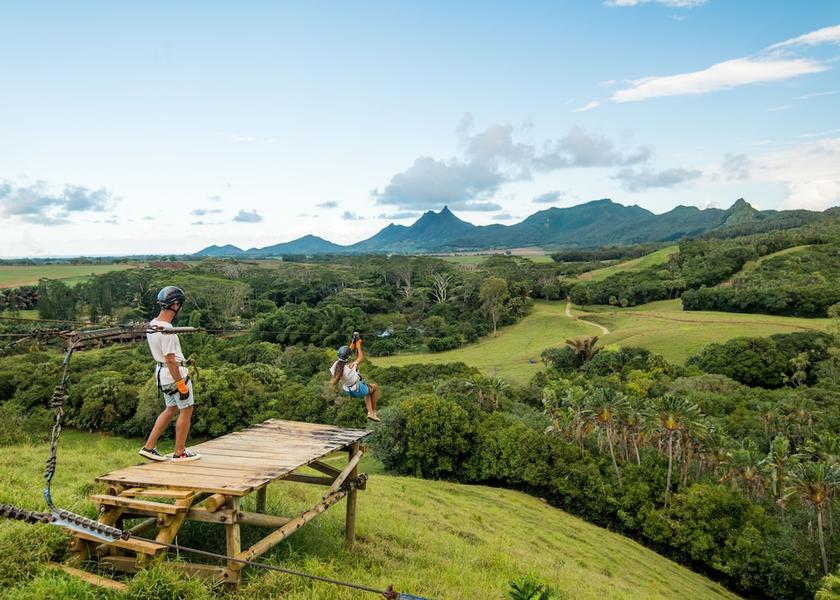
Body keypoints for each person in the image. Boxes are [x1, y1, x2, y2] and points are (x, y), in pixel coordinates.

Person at [139, 286, 201, 462]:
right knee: (186, 410)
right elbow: (171, 360)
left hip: (161, 374)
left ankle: (149, 447)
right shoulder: (168, 331)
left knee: (171, 409)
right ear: (175, 305)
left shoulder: (153, 324)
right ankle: (179, 452)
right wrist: (181, 384)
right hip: (174, 374)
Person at [330, 332, 380, 422]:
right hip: (358, 390)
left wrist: (353, 342)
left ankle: (370, 413)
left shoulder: (336, 365)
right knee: (375, 387)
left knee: (368, 391)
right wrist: (358, 345)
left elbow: (347, 353)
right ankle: (374, 412)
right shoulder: (351, 367)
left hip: (348, 390)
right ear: (348, 357)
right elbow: (360, 357)